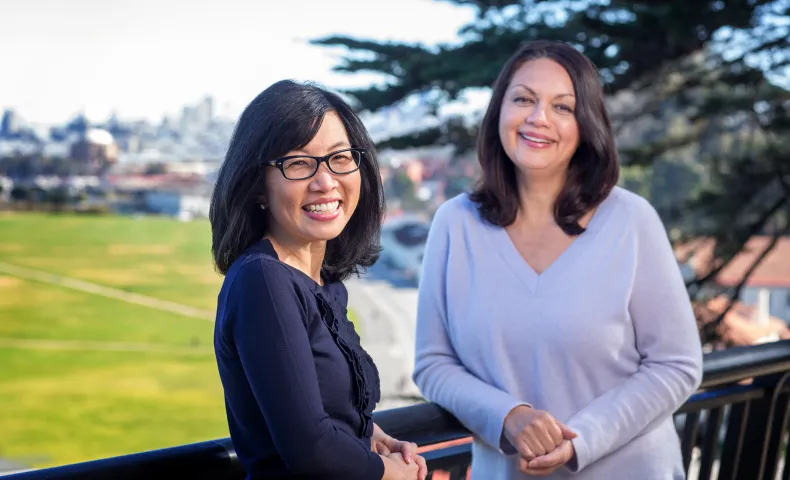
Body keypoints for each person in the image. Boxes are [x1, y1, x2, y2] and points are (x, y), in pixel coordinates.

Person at [412, 40, 704, 479]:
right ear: (499, 114)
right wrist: (507, 415)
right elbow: (433, 363)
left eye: (562, 107)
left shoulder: (630, 220)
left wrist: (580, 440)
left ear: (585, 125)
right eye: (524, 99)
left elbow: (677, 364)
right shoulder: (454, 225)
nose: (538, 118)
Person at [210, 80, 427, 480]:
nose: (325, 181)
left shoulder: (323, 282)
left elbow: (322, 410)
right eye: (298, 163)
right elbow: (310, 448)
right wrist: (392, 474)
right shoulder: (264, 282)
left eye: (339, 158)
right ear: (258, 185)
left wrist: (374, 438)